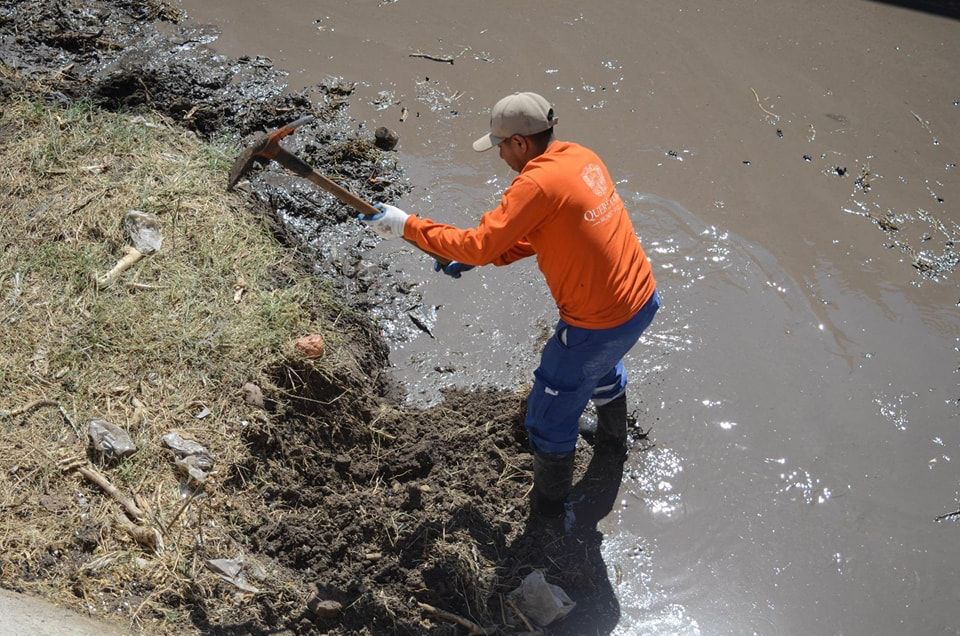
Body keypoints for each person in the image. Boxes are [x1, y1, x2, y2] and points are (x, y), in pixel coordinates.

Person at [360, 91, 659, 517]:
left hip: (598, 321)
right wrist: (479, 256)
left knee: (548, 416)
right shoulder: (579, 157)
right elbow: (543, 231)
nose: (499, 154)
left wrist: (407, 225)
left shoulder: (534, 183)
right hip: (640, 301)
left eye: (500, 145)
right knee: (601, 364)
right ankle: (614, 445)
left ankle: (551, 518)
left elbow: (481, 243)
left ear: (519, 143)